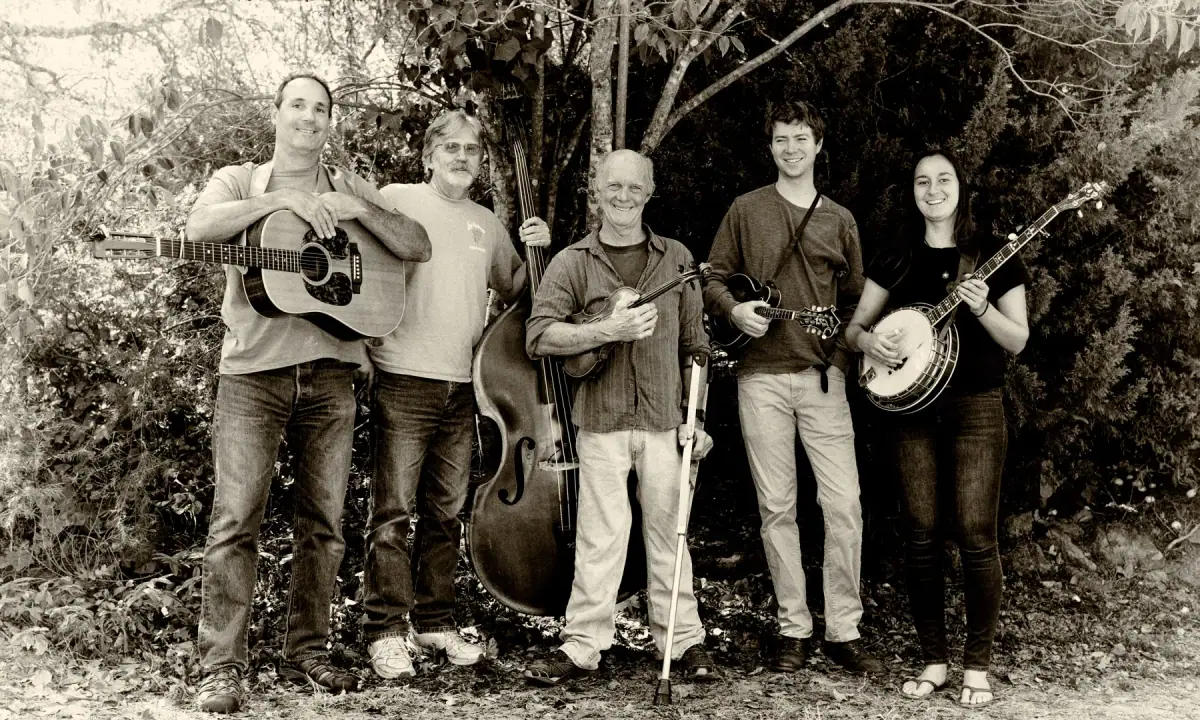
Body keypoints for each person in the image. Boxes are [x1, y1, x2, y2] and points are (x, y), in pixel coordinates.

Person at [186, 72, 432, 714]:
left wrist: (359, 210)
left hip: (331, 379)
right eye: (297, 105)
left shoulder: (347, 184)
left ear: (329, 122)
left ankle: (308, 650)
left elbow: (416, 244)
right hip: (251, 377)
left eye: (320, 109)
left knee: (323, 524)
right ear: (276, 114)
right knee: (236, 520)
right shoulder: (241, 180)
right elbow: (197, 227)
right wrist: (278, 206)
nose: (309, 117)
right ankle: (221, 665)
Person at [360, 108, 551, 679]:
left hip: (464, 386)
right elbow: (358, 267)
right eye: (451, 148)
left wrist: (538, 247)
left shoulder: (487, 223)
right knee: (392, 512)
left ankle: (436, 623)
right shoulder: (397, 200)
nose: (462, 157)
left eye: (471, 149)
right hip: (402, 375)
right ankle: (386, 631)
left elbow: (519, 291)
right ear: (429, 156)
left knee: (445, 513)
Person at [520, 149, 719, 687]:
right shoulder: (572, 261)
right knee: (600, 537)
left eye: (634, 187)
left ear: (649, 191)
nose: (624, 197)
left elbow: (694, 345)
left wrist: (696, 418)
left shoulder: (677, 258)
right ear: (597, 190)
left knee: (669, 535)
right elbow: (539, 335)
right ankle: (583, 644)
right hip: (601, 421)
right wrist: (607, 331)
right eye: (614, 187)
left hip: (664, 420)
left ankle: (681, 640)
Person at [702, 100, 883, 675]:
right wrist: (734, 312)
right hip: (760, 378)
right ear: (771, 146)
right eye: (781, 139)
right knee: (777, 507)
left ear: (818, 144)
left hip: (823, 379)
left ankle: (844, 628)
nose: (790, 148)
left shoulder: (841, 220)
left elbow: (856, 303)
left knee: (844, 505)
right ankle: (793, 627)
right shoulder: (744, 209)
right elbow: (709, 279)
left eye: (800, 138)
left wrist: (844, 350)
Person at [845, 149, 1029, 708]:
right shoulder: (898, 256)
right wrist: (869, 342)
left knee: (976, 534)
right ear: (914, 192)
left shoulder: (994, 254)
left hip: (977, 405)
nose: (933, 189)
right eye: (922, 181)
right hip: (913, 412)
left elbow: (1017, 339)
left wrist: (980, 310)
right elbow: (855, 329)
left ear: (960, 188)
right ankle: (934, 660)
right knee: (920, 534)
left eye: (943, 179)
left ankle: (977, 666)